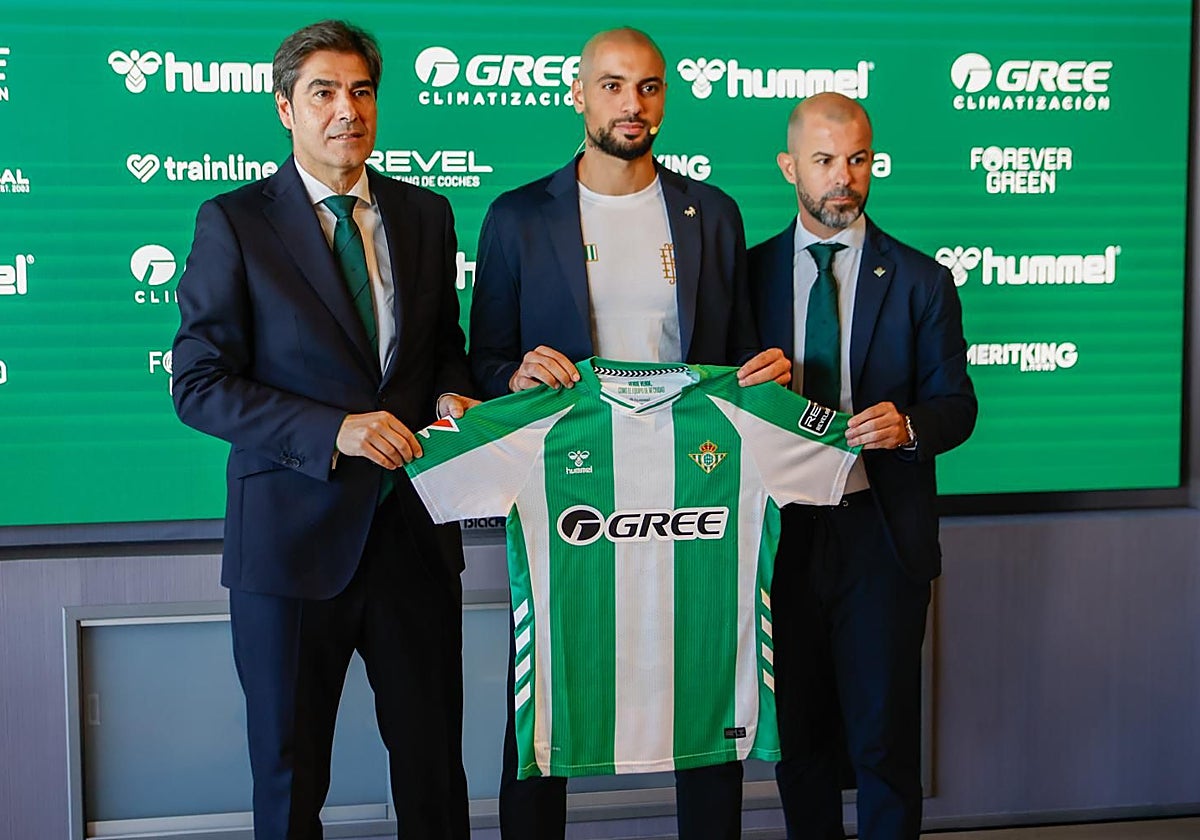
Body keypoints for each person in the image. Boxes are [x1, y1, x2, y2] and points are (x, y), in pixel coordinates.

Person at [468, 26, 790, 840]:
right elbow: (485, 361)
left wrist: (767, 373)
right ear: (577, 94)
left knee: (704, 674)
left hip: (692, 490)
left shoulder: (711, 214)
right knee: (544, 695)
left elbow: (739, 353)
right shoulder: (516, 217)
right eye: (612, 85)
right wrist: (511, 377)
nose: (632, 104)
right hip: (567, 490)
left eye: (648, 87)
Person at [171, 20, 474, 840]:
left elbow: (442, 348)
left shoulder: (425, 216)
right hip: (291, 545)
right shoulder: (235, 221)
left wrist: (453, 397)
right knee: (291, 776)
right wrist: (332, 429)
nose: (348, 109)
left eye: (362, 90)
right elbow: (198, 385)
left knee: (434, 773)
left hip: (412, 538)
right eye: (325, 92)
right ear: (285, 110)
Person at [747, 91, 977, 840]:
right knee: (800, 743)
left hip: (880, 536)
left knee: (883, 743)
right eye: (823, 160)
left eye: (857, 159)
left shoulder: (920, 280)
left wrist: (909, 424)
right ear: (789, 167)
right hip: (778, 539)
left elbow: (958, 405)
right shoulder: (744, 278)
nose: (843, 177)